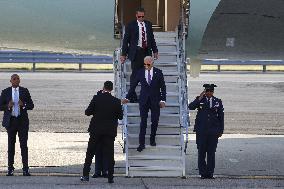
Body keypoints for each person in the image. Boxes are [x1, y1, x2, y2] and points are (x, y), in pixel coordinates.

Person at [80, 81, 123, 184]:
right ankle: (110, 177)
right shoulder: (116, 101)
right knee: (110, 154)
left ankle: (85, 175)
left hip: (96, 130)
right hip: (109, 131)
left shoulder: (96, 98)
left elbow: (87, 112)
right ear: (111, 89)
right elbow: (120, 116)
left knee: (90, 153)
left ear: (103, 87)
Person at [122, 56, 166, 152]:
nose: (146, 66)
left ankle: (152, 139)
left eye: (148, 64)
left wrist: (163, 100)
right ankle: (141, 144)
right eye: (144, 64)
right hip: (144, 100)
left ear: (152, 63)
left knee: (154, 121)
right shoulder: (140, 72)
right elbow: (133, 86)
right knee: (143, 122)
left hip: (155, 100)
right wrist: (127, 97)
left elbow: (163, 87)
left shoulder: (158, 72)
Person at [120, 7, 158, 102]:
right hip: (136, 53)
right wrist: (123, 54)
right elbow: (126, 41)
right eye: (139, 16)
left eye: (143, 16)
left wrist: (155, 51)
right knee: (135, 75)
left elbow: (151, 39)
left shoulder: (148, 24)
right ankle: (132, 96)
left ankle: (145, 96)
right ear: (136, 15)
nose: (141, 18)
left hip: (146, 52)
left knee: (147, 74)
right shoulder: (131, 25)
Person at [0, 74, 34, 176]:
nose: (16, 80)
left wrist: (23, 105)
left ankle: (25, 169)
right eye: (14, 79)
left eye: (17, 78)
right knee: (11, 146)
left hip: (22, 122)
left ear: (19, 81)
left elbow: (31, 105)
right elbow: (0, 106)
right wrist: (7, 106)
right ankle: (10, 169)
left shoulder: (24, 91)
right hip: (11, 122)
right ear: (10, 81)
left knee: (24, 146)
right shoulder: (5, 92)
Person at [188, 84, 224, 179]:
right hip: (201, 131)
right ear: (205, 91)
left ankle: (210, 173)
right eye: (207, 91)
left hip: (213, 131)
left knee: (211, 153)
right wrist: (199, 97)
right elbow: (191, 107)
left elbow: (221, 117)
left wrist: (221, 130)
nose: (209, 93)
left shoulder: (217, 101)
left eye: (211, 91)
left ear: (213, 92)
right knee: (201, 152)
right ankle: (203, 173)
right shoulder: (200, 100)